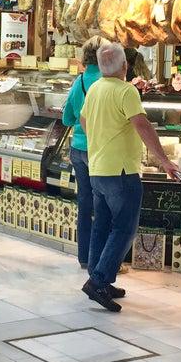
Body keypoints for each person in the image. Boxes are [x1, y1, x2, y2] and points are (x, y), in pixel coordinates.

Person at [78, 41, 179, 312]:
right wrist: (165, 160)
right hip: (121, 171)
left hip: (97, 168)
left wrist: (101, 142)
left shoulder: (95, 89)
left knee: (102, 225)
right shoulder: (126, 91)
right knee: (125, 228)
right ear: (124, 66)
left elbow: (84, 121)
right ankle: (99, 281)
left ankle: (99, 276)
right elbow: (142, 125)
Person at [60, 37, 103, 270]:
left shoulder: (80, 82)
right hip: (100, 150)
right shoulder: (108, 81)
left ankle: (84, 257)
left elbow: (66, 118)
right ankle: (101, 258)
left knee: (85, 205)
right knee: (103, 206)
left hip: (78, 148)